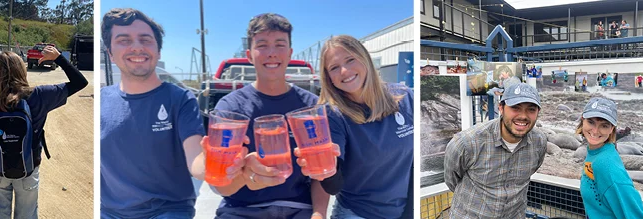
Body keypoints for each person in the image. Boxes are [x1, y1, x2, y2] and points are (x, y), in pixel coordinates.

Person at [99, 8, 230, 219]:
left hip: (168, 210)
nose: (137, 47)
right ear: (110, 54)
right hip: (109, 212)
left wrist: (219, 163)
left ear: (158, 51)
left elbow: (196, 158)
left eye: (146, 40)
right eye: (124, 40)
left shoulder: (180, 99)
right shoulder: (102, 101)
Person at [208, 13, 337, 219]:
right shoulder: (231, 107)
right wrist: (244, 175)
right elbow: (221, 185)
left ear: (290, 53)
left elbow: (319, 175)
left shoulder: (311, 106)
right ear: (249, 55)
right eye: (262, 45)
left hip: (299, 208)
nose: (272, 53)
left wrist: (319, 214)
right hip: (241, 210)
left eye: (279, 44)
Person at [301, 35, 414, 218]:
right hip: (357, 213)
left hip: (402, 210)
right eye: (334, 68)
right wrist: (326, 168)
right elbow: (333, 185)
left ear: (365, 58)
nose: (344, 71)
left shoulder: (406, 98)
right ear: (328, 77)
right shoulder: (333, 115)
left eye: (350, 59)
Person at [0, 46, 87, 218]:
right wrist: (58, 58)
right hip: (28, 167)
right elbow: (80, 82)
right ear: (22, 69)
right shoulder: (40, 95)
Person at [444, 83, 547, 218]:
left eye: (531, 109)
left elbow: (533, 169)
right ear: (501, 108)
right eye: (515, 108)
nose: (523, 116)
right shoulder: (467, 143)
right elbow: (451, 180)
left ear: (538, 113)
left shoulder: (539, 142)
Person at [577, 97, 643, 218]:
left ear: (612, 129)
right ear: (582, 120)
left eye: (604, 126)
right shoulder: (596, 152)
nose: (595, 131)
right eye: (591, 122)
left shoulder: (605, 164)